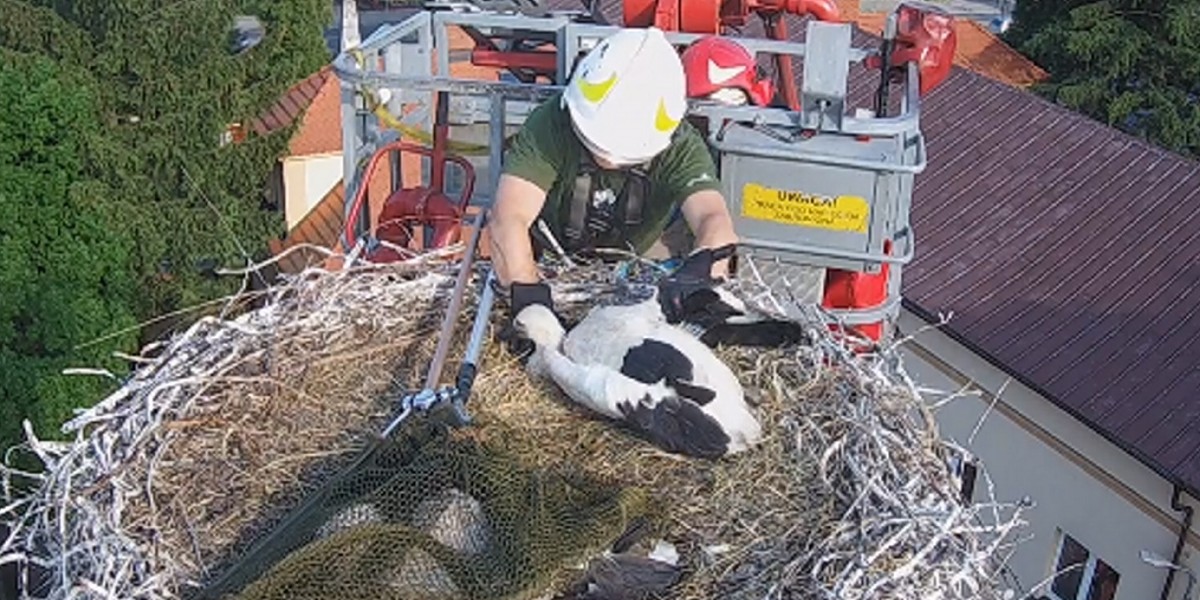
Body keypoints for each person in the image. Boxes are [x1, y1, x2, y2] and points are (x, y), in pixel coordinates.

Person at [486, 26, 742, 352]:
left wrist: (696, 279)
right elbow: (509, 217)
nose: (605, 157)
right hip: (551, 254)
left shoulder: (680, 145)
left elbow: (713, 219)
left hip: (640, 260)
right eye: (594, 144)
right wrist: (529, 301)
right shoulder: (552, 123)